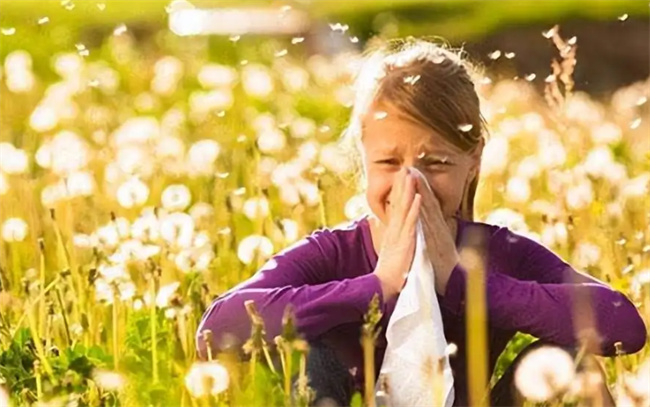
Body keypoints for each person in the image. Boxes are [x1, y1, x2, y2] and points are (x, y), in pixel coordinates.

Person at [196, 38, 647, 406]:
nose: (411, 183)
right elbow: (217, 330)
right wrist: (378, 285)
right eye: (389, 162)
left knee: (572, 363)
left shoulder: (497, 252)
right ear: (364, 161)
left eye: (435, 163)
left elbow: (623, 325)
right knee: (306, 358)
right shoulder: (335, 252)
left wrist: (463, 282)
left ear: (473, 163)